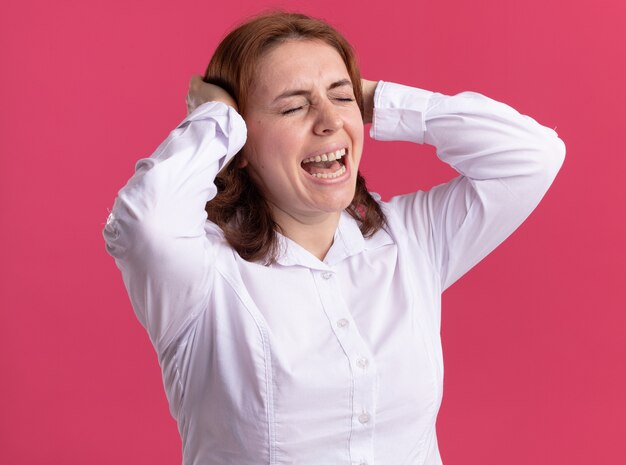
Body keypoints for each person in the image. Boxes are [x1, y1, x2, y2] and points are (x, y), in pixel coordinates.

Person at [103, 11, 565, 465]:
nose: (329, 122)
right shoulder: (202, 274)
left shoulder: (409, 240)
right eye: (293, 106)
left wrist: (369, 99)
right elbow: (145, 224)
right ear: (240, 144)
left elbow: (533, 155)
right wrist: (216, 119)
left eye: (341, 99)